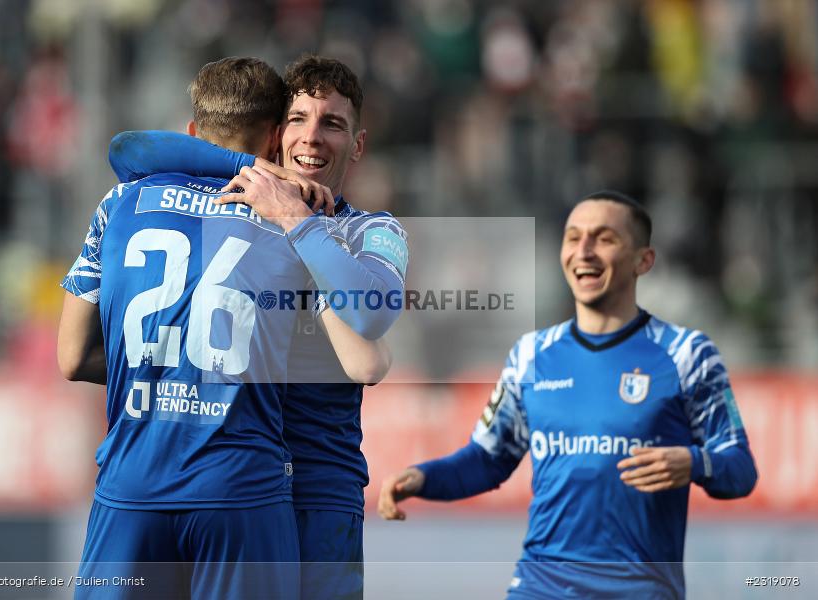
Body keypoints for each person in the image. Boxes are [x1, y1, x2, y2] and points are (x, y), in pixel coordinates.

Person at [106, 54, 408, 599]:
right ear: (275, 137)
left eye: (333, 124)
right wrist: (246, 170)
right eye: (299, 120)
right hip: (231, 483)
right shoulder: (230, 205)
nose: (312, 138)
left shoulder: (369, 229)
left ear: (357, 145)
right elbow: (126, 148)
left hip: (318, 492)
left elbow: (371, 316)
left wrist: (296, 219)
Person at [377, 191, 758, 599]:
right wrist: (423, 478)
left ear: (642, 261)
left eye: (604, 238)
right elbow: (488, 459)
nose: (584, 251)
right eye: (573, 237)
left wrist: (696, 462)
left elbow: (740, 470)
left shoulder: (686, 355)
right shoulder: (532, 356)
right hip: (541, 587)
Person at [58, 57, 315, 600]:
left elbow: (72, 357)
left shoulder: (122, 200)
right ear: (276, 137)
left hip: (133, 485)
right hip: (241, 488)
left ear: (194, 130)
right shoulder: (293, 219)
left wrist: (168, 367)